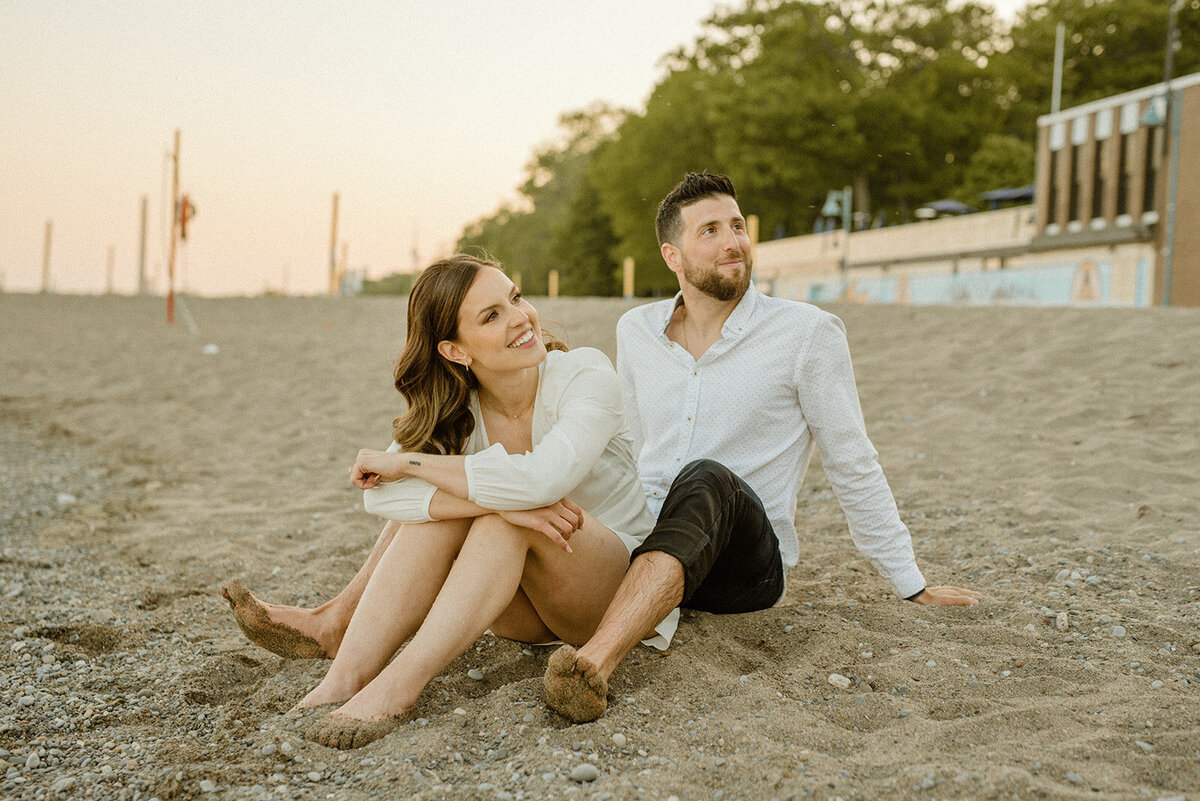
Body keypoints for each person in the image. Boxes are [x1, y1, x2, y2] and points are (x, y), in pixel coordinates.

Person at [541, 172, 978, 723]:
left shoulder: (807, 333)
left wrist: (909, 582)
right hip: (647, 543)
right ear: (672, 255)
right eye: (710, 231)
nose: (732, 242)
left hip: (746, 564)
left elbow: (852, 459)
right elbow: (629, 444)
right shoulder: (637, 330)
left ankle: (595, 665)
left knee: (706, 477)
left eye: (738, 226)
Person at [224, 254, 675, 749]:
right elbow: (382, 499)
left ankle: (398, 686)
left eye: (515, 298)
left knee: (499, 515)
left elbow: (545, 479)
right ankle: (343, 680)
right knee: (453, 509)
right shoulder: (459, 410)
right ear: (455, 351)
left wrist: (416, 466)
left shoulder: (585, 374)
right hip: (520, 612)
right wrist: (488, 500)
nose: (520, 318)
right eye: (491, 316)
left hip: (606, 596)